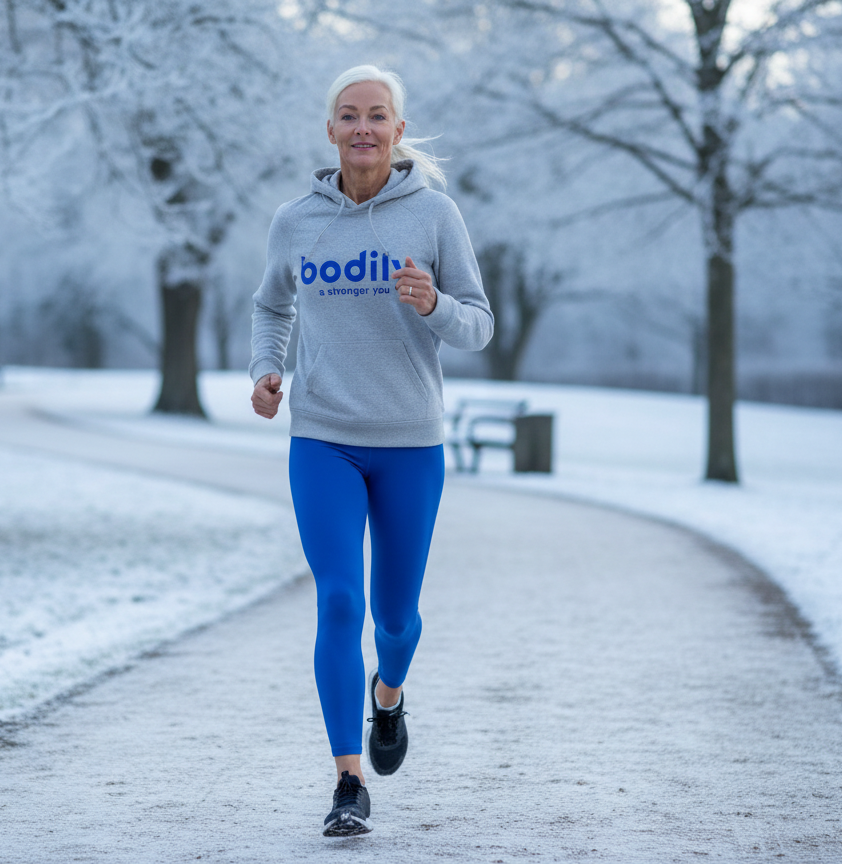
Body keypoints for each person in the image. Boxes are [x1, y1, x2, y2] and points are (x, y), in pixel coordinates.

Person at [249, 64, 493, 837]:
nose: (362, 127)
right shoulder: (296, 221)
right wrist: (266, 368)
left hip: (409, 444)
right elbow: (270, 305)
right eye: (348, 115)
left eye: (376, 116)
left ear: (397, 129)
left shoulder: (435, 216)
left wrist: (435, 305)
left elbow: (480, 325)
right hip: (322, 437)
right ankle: (347, 781)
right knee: (339, 601)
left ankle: (387, 698)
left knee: (394, 618)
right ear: (330, 131)